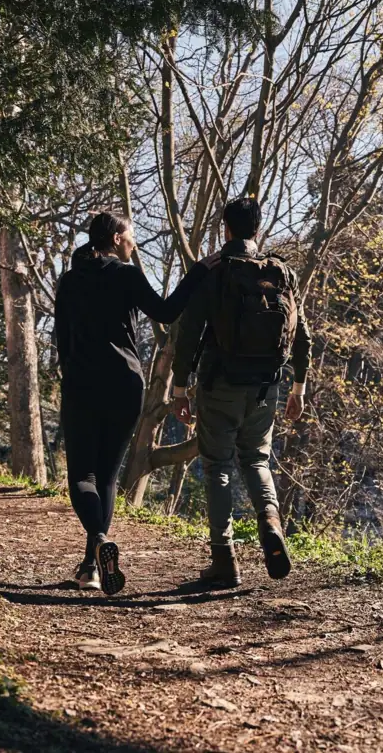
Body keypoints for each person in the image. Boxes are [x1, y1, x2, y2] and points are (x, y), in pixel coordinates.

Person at [54, 211, 218, 595]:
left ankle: (96, 545)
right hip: (124, 383)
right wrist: (196, 272)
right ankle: (92, 565)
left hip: (81, 382)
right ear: (115, 239)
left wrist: (71, 376)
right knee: (108, 476)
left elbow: (61, 339)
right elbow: (165, 311)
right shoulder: (125, 274)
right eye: (131, 238)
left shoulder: (69, 281)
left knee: (82, 476)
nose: (134, 245)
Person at [171, 197, 311, 589]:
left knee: (217, 466)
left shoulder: (215, 272)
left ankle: (224, 560)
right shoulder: (281, 273)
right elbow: (301, 336)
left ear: (225, 229)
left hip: (220, 383)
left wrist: (180, 389)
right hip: (267, 385)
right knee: (256, 460)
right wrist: (297, 388)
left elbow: (189, 334)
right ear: (257, 229)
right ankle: (269, 521)